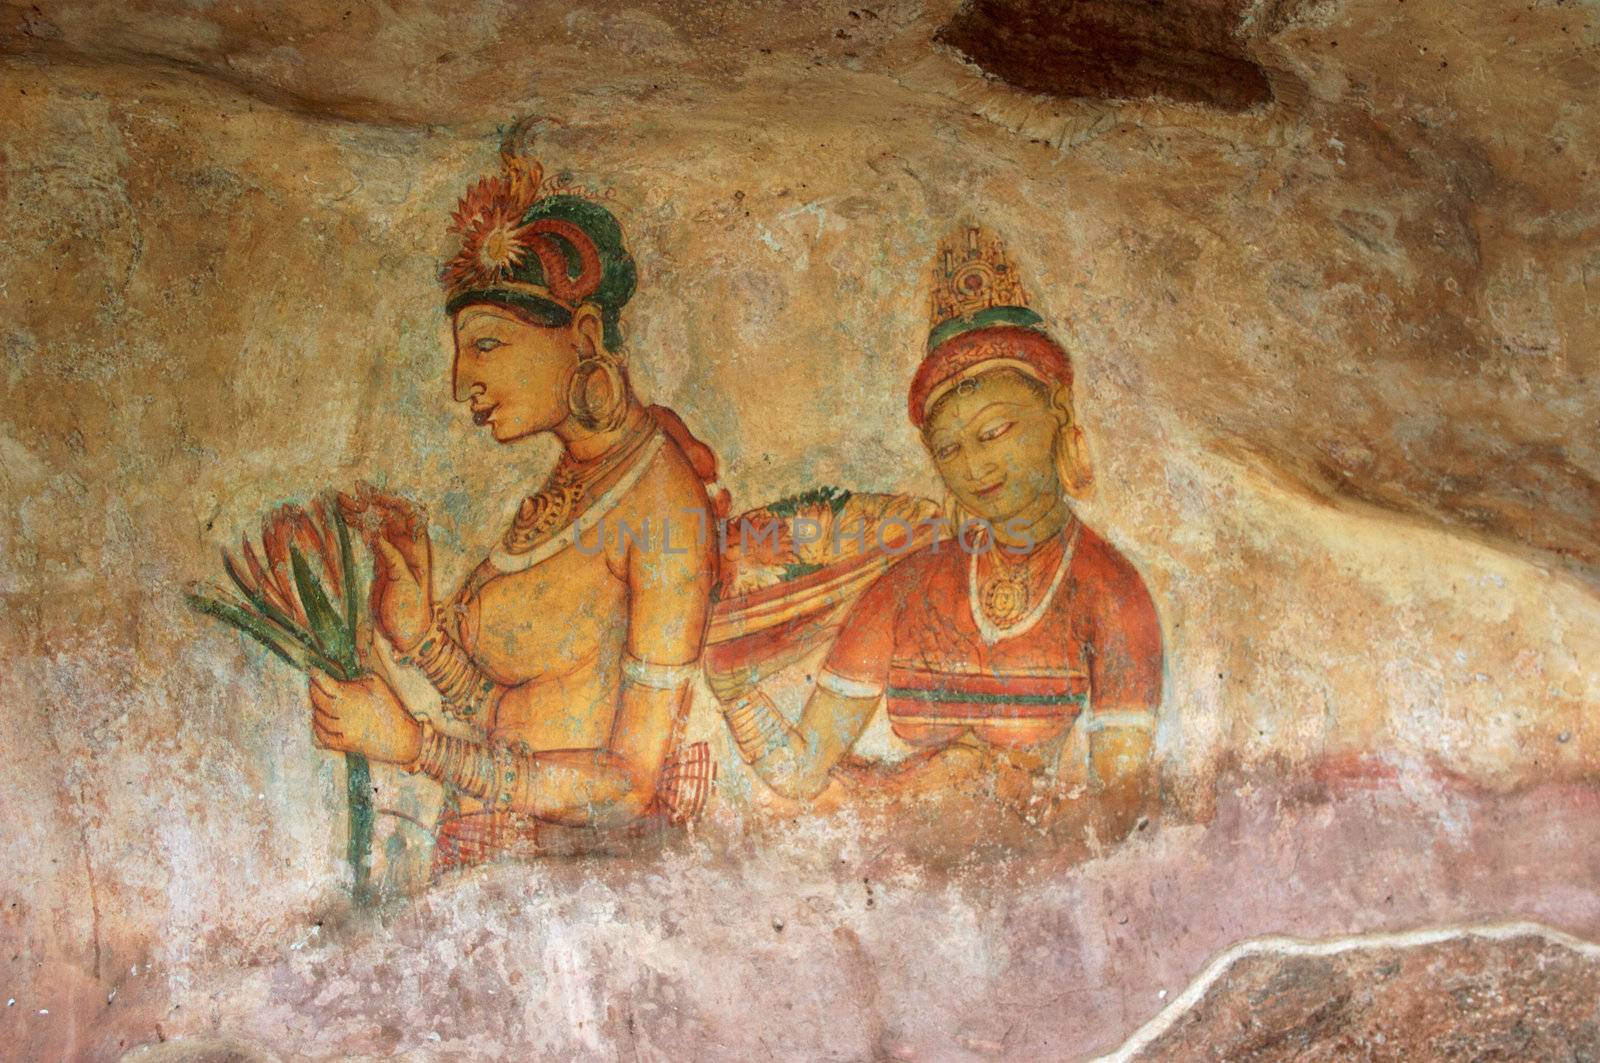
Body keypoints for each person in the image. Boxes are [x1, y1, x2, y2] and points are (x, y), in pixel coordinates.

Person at [307, 153, 722, 873]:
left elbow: (628, 784)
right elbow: (515, 712)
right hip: (495, 867)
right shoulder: (572, 484)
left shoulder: (662, 504)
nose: (463, 380)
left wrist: (414, 747)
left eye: (488, 345)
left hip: (575, 888)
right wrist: (419, 634)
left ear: (585, 338)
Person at [721, 225, 1163, 852]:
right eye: (949, 449)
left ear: (1057, 416)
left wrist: (996, 788)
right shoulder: (910, 582)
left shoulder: (1112, 592)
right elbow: (799, 771)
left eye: (996, 430)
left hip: (1036, 879)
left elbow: (1118, 819)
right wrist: (737, 693)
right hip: (892, 867)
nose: (974, 468)